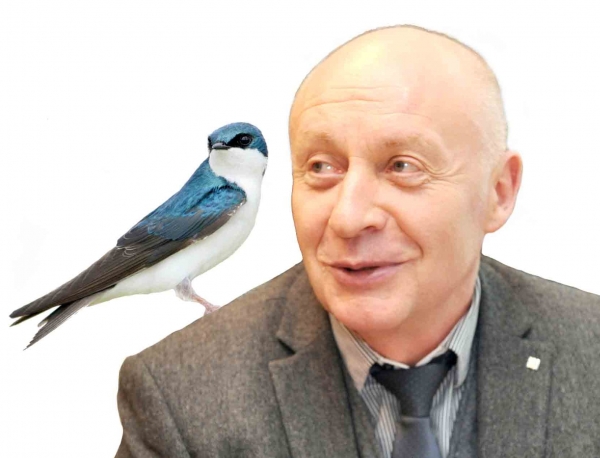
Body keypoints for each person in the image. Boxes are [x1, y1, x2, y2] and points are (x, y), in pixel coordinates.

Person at [114, 25, 600, 458]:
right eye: (321, 167)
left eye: (402, 166)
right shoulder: (179, 395)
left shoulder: (590, 350)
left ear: (499, 192)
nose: (347, 218)